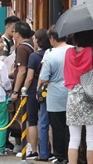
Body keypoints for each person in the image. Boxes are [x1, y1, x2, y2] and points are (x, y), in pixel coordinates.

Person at [64, 29, 93, 164]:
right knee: (92, 140)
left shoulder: (68, 53)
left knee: (74, 139)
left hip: (73, 97)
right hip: (91, 96)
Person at [39, 26, 71, 164]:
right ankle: (72, 155)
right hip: (72, 93)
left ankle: (60, 156)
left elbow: (44, 78)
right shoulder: (73, 50)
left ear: (52, 38)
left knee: (57, 127)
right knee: (71, 128)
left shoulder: (50, 54)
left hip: (55, 96)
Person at [22, 29, 50, 160]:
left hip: (34, 88)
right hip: (49, 89)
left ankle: (34, 150)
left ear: (38, 40)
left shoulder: (34, 56)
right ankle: (52, 150)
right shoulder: (50, 53)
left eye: (34, 39)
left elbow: (29, 77)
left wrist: (24, 89)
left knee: (32, 120)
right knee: (48, 121)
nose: (33, 40)